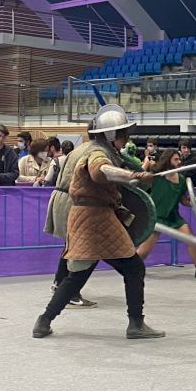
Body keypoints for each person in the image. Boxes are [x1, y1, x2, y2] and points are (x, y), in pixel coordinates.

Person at [34, 104, 163, 340]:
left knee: (80, 275)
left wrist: (137, 173)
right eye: (123, 133)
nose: (126, 137)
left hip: (93, 217)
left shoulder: (101, 149)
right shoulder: (97, 152)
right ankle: (136, 324)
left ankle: (44, 321)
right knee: (131, 268)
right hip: (95, 219)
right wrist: (132, 175)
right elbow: (99, 170)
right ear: (112, 134)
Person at [135, 149, 196, 280]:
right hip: (156, 217)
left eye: (179, 159)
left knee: (191, 240)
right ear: (167, 160)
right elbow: (138, 181)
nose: (179, 162)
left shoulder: (181, 180)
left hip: (173, 217)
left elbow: (183, 200)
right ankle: (132, 269)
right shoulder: (156, 177)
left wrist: (194, 203)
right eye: (176, 159)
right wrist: (145, 167)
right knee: (143, 251)